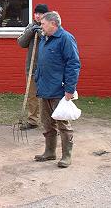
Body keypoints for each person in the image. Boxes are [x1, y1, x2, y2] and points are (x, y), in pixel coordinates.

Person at [34, 11, 81, 168]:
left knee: (63, 124)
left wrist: (69, 89)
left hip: (59, 90)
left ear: (53, 24)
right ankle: (49, 152)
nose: (41, 26)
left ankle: (66, 156)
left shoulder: (66, 38)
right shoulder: (44, 39)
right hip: (44, 87)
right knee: (47, 123)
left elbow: (73, 64)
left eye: (43, 23)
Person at [17, 4, 49, 130]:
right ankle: (33, 120)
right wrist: (31, 31)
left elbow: (50, 40)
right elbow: (21, 42)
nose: (37, 15)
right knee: (32, 95)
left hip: (47, 68)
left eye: (40, 13)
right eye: (36, 13)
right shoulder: (31, 26)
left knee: (48, 96)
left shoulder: (50, 26)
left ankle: (50, 122)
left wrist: (41, 33)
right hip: (31, 67)